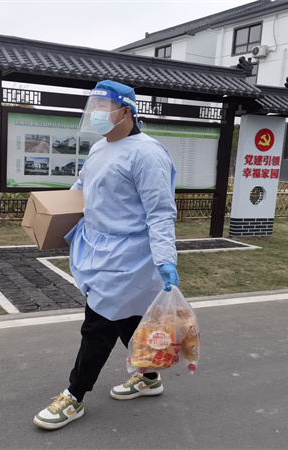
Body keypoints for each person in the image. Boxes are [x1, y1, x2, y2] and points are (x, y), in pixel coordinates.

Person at [33, 80, 180, 430]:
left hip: (128, 256)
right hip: (97, 248)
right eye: (93, 107)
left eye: (103, 107)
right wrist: (56, 214)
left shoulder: (147, 154)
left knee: (98, 325)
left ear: (126, 111)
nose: (96, 114)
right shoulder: (100, 148)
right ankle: (148, 377)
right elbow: (82, 188)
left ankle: (74, 395)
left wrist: (165, 258)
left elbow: (160, 212)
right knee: (128, 319)